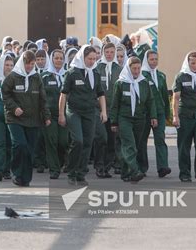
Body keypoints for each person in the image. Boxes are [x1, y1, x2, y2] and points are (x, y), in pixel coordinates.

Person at [59, 45, 107, 186]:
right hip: (74, 111)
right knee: (78, 141)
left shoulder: (95, 73)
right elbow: (63, 95)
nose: (92, 61)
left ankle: (81, 174)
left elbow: (101, 94)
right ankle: (71, 171)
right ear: (82, 57)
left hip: (90, 112)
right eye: (89, 59)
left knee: (87, 142)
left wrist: (104, 112)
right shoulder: (72, 73)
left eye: (94, 59)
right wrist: (61, 114)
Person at [2, 51, 51, 187]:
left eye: (32, 64)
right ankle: (17, 173)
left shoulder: (37, 77)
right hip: (15, 119)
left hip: (33, 119)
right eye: (27, 63)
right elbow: (5, 95)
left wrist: (46, 116)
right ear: (22, 63)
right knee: (20, 145)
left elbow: (43, 99)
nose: (29, 66)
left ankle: (26, 178)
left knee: (29, 149)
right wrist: (14, 107)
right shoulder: (12, 77)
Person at [111, 57, 157, 183]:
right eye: (134, 68)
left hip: (140, 118)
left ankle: (126, 173)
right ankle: (136, 170)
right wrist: (114, 121)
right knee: (129, 145)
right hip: (124, 118)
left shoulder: (144, 82)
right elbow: (115, 104)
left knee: (134, 146)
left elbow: (150, 101)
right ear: (128, 68)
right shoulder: (120, 83)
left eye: (138, 68)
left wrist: (153, 116)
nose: (136, 71)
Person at [172, 52, 196, 182]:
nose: (195, 66)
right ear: (187, 63)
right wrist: (175, 116)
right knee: (184, 145)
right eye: (192, 63)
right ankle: (185, 173)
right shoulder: (181, 76)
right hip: (185, 115)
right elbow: (176, 98)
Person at [140, 50, 171, 177]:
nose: (154, 62)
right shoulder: (141, 75)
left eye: (156, 59)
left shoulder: (161, 76)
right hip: (145, 113)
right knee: (142, 140)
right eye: (151, 59)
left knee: (160, 139)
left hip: (159, 112)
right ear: (146, 60)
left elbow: (165, 96)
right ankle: (142, 167)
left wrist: (167, 113)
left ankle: (163, 167)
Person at [94, 43, 123, 177]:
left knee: (112, 140)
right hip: (99, 109)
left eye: (112, 52)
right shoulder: (98, 67)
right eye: (107, 52)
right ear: (103, 52)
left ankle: (107, 166)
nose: (110, 54)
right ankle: (99, 165)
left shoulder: (119, 69)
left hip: (114, 110)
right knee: (101, 138)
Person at [41, 50, 68, 179]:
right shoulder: (44, 76)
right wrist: (45, 115)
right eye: (56, 58)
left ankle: (61, 162)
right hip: (49, 114)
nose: (58, 60)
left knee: (63, 141)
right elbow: (41, 98)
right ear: (51, 60)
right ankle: (54, 169)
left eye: (61, 58)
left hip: (64, 114)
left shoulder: (68, 75)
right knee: (51, 141)